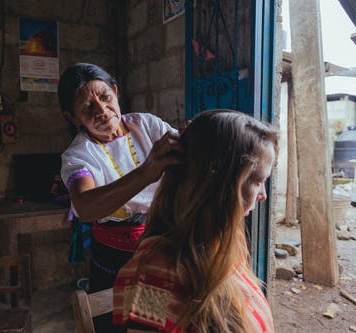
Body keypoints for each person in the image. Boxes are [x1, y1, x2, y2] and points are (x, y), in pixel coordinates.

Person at [113, 109, 277, 333]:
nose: (263, 195)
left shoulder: (225, 238)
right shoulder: (153, 277)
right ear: (218, 185)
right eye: (257, 181)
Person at [58, 62, 184, 295]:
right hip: (116, 256)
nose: (102, 110)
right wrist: (145, 173)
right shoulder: (79, 155)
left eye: (106, 97)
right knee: (118, 320)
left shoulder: (146, 125)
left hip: (164, 241)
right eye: (87, 107)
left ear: (115, 93)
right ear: (72, 117)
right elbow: (84, 207)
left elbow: (183, 153)